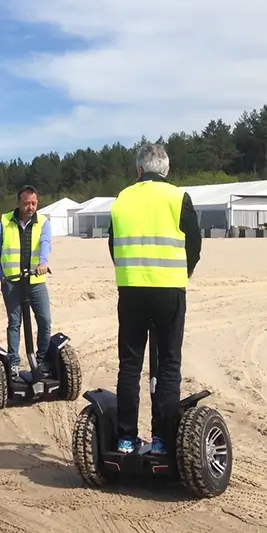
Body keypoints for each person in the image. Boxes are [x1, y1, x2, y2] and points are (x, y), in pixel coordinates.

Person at [107, 142, 202, 455]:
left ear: (139, 170)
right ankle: (161, 440)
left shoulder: (122, 199)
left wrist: (129, 272)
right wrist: (183, 273)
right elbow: (194, 243)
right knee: (169, 364)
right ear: (167, 169)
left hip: (131, 289)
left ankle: (125, 439)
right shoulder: (177, 196)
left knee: (129, 366)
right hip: (169, 290)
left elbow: (113, 243)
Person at [0, 185, 54, 379]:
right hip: (12, 282)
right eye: (26, 203)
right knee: (15, 323)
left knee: (45, 321)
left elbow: (46, 244)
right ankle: (14, 364)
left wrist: (43, 263)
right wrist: (2, 275)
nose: (30, 207)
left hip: (36, 281)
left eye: (34, 203)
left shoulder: (43, 222)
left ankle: (41, 361)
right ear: (18, 203)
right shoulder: (5, 221)